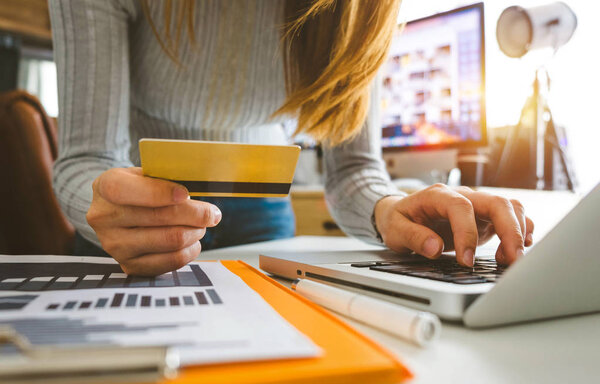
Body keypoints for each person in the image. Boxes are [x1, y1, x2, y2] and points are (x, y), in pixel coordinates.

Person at [49, 0, 533, 276]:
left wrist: (388, 208)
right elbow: (85, 158)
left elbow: (354, 168)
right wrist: (104, 203)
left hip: (263, 210)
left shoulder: (361, 9)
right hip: (128, 218)